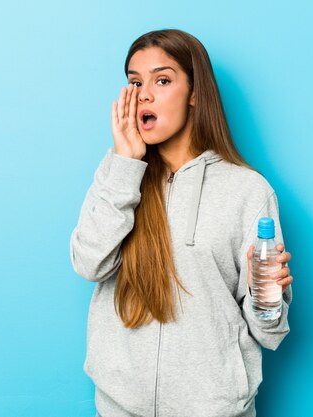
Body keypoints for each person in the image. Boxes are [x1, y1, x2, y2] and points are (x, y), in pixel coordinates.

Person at [70, 28, 294, 417]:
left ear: (194, 93)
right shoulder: (117, 174)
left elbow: (267, 333)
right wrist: (126, 165)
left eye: (162, 79)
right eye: (135, 81)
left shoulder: (248, 191)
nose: (143, 93)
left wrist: (269, 300)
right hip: (121, 407)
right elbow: (90, 264)